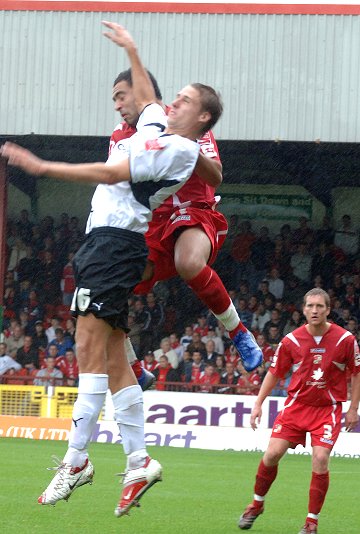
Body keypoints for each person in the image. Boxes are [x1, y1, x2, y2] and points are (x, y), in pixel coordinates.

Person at [0, 20, 225, 516]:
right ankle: (139, 459)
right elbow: (148, 98)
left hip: (115, 245)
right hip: (104, 245)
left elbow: (111, 173)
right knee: (116, 360)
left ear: (202, 117)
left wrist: (42, 168)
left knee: (89, 351)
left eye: (183, 101)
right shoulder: (156, 127)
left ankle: (77, 459)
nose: (173, 103)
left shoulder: (177, 149)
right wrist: (133, 50)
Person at [109, 42, 263, 375]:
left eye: (122, 96)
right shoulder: (119, 135)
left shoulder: (182, 123)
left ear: (142, 93)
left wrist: (186, 148)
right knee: (112, 284)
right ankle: (134, 365)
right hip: (151, 219)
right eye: (115, 99)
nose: (118, 105)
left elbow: (217, 176)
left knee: (188, 261)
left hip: (194, 209)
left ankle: (239, 332)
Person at [238, 288, 360, 533]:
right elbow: (274, 373)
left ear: (328, 309)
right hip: (296, 407)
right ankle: (256, 504)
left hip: (327, 409)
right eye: (310, 306)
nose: (314, 310)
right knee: (271, 454)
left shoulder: (345, 340)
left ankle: (311, 522)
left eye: (320, 306)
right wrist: (258, 403)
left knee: (321, 459)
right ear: (303, 310)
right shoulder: (291, 340)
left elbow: (357, 374)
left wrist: (353, 409)